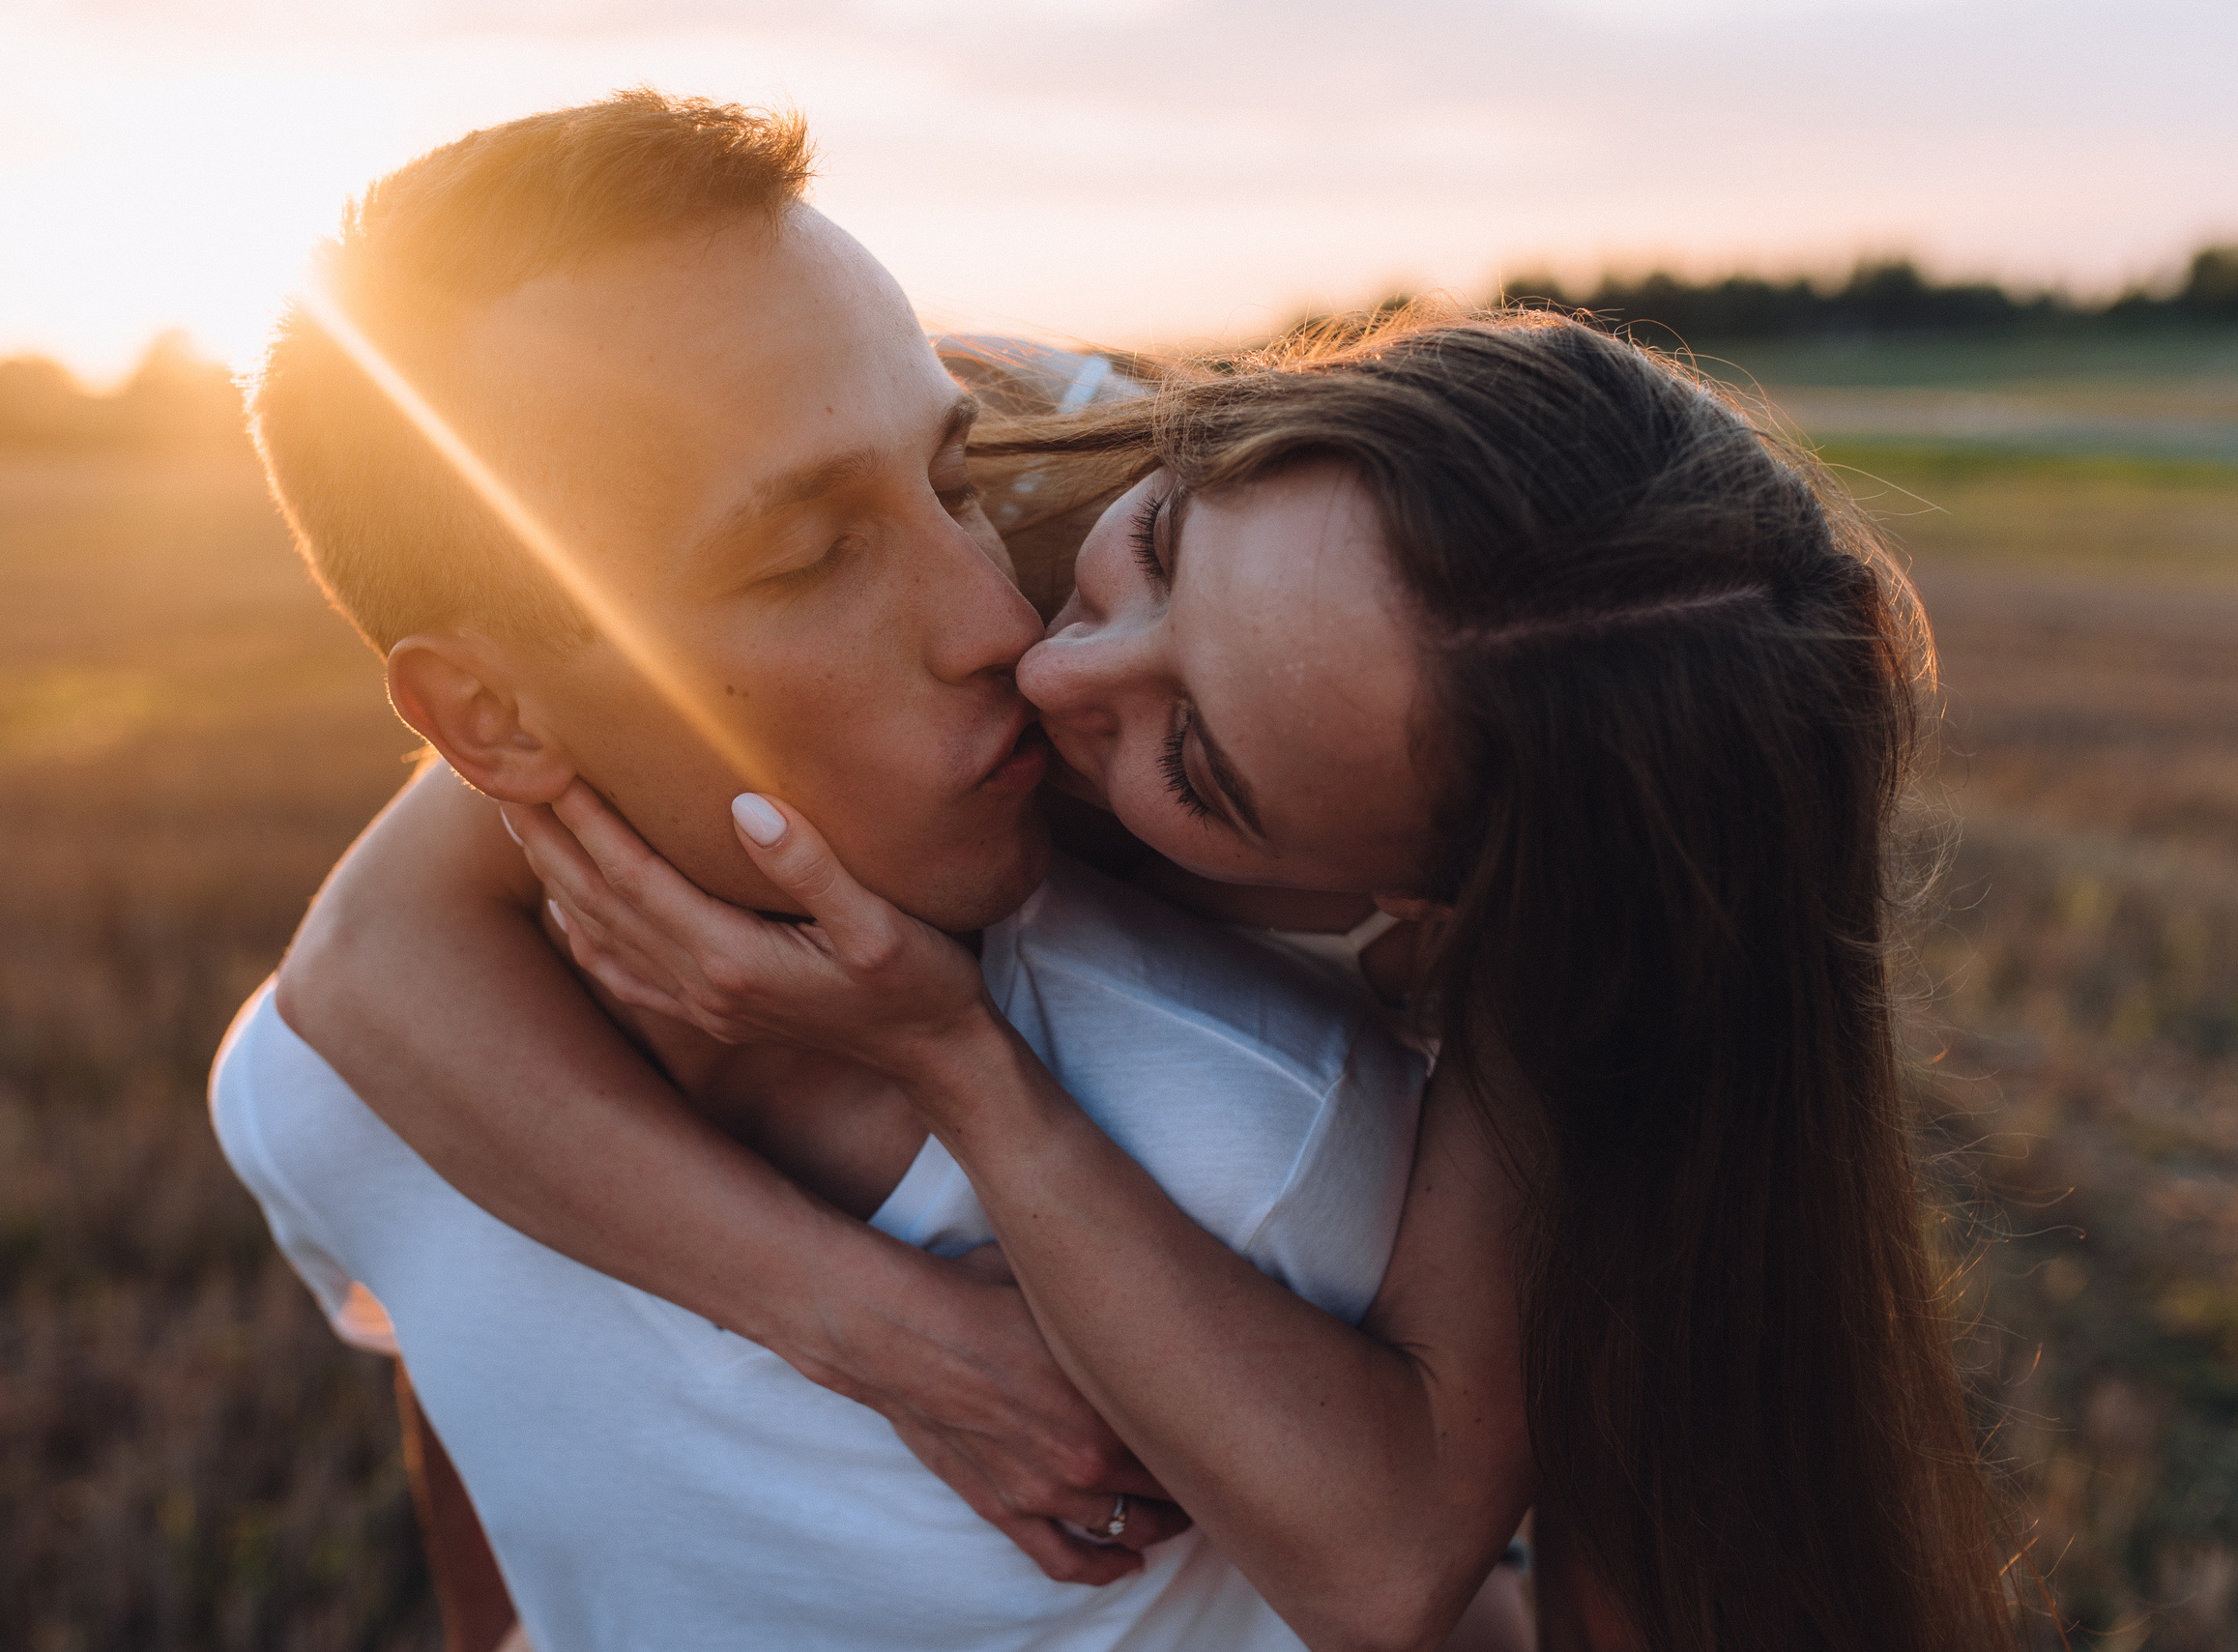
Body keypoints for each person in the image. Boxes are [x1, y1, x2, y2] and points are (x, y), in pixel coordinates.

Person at [258, 114, 2025, 1652]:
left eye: (1202, 768)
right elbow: (366, 963)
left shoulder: (1466, 1054)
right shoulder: (991, 434)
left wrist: (966, 1069)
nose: (1030, 657)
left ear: (1424, 923)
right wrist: (873, 1328)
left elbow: (1402, 1564)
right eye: (1151, 560)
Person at [211, 91, 1526, 1652]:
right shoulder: (328, 1092)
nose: (1007, 627)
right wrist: (876, 1328)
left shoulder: (1275, 1155)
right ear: (484, 720)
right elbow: (469, 1370)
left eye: (958, 478)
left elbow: (1425, 1579)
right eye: (804, 556)